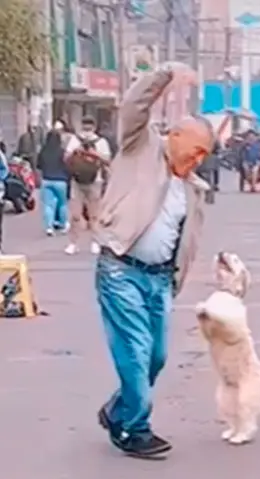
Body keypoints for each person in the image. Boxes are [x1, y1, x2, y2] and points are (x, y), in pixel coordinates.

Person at [94, 62, 213, 459]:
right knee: (136, 348)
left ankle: (118, 409)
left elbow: (187, 241)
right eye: (195, 149)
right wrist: (164, 75)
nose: (198, 159)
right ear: (174, 135)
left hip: (159, 279)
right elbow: (133, 105)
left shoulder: (193, 188)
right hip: (120, 269)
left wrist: (176, 279)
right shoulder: (139, 145)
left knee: (157, 356)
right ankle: (133, 429)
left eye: (205, 155)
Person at [63, 116, 112, 255]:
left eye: (89, 126)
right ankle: (73, 243)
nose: (87, 129)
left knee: (94, 214)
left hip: (95, 181)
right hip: (77, 180)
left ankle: (95, 242)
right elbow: (66, 158)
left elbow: (107, 160)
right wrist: (75, 152)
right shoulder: (75, 140)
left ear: (94, 127)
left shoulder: (101, 142)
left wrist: (94, 154)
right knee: (76, 214)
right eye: (85, 125)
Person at [35, 129, 70, 236]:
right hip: (61, 180)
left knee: (48, 205)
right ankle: (63, 225)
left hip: (46, 179)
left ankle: (49, 228)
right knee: (62, 204)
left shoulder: (43, 151)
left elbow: (38, 166)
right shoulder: (62, 151)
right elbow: (67, 166)